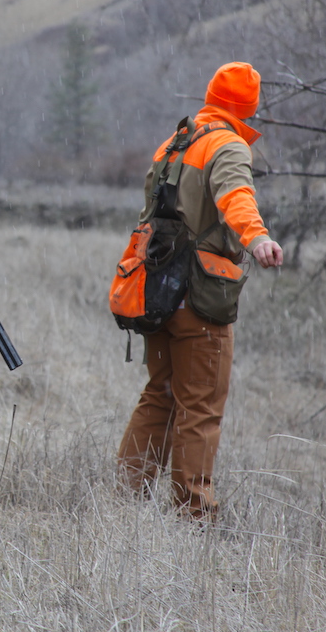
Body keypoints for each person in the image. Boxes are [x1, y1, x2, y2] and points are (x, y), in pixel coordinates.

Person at [116, 62, 284, 521]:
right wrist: (258, 238)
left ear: (212, 96)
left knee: (162, 392)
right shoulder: (227, 145)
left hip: (158, 290)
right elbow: (236, 197)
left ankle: (125, 498)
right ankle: (195, 515)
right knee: (201, 405)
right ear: (249, 108)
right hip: (200, 295)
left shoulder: (176, 141)